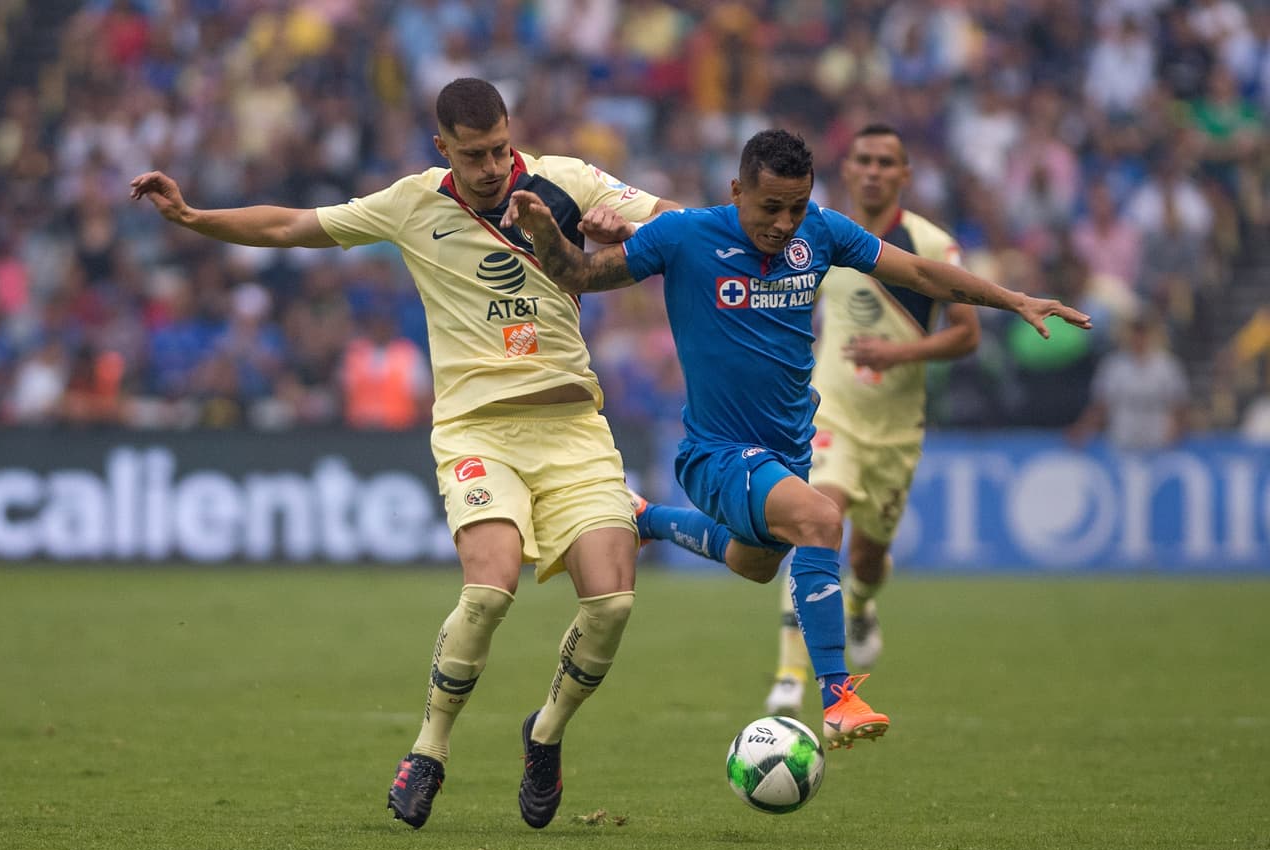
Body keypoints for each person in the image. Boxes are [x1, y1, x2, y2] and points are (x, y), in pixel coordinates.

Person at [131, 77, 680, 831]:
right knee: (488, 590)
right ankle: (429, 750)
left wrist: (642, 226)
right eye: (473, 154)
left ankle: (545, 731)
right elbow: (294, 225)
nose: (491, 166)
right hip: (476, 430)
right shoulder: (413, 202)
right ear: (442, 148)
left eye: (498, 148)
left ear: (510, 133)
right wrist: (193, 215)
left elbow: (680, 224)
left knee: (612, 602)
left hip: (573, 427)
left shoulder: (569, 182)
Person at [503, 129, 1091, 752]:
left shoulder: (823, 231)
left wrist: (1013, 298)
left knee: (756, 565)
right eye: (770, 208)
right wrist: (546, 232)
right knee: (820, 519)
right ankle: (838, 698)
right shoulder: (687, 236)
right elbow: (582, 273)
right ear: (737, 191)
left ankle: (647, 519)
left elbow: (920, 272)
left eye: (796, 206)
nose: (785, 223)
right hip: (716, 454)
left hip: (787, 452)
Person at [759, 123, 981, 716]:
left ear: (905, 174)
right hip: (831, 415)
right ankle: (789, 674)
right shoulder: (812, 236)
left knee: (867, 559)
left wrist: (900, 353)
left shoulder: (930, 245)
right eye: (865, 160)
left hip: (896, 430)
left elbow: (967, 334)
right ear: (849, 169)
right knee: (815, 522)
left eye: (888, 161)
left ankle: (858, 604)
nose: (875, 170)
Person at [1066, 311, 1188, 449]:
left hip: (1158, 443)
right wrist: (1083, 429)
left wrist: (1176, 433)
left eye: (1143, 333)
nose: (1139, 338)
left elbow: (1178, 405)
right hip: (1123, 442)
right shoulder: (1114, 365)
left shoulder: (1167, 366)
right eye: (1135, 332)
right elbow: (1101, 405)